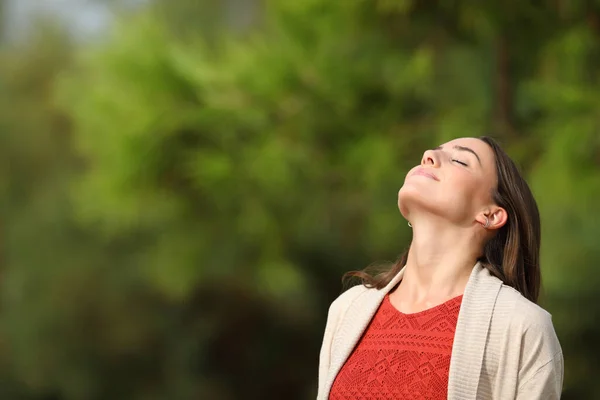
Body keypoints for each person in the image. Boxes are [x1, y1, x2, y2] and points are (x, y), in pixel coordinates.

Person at [317, 136, 563, 399]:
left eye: (459, 160)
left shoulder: (522, 328)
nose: (428, 156)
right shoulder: (347, 310)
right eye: (432, 152)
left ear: (490, 215)